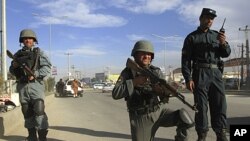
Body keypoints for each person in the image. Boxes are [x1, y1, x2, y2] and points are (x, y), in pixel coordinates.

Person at [112, 40, 194, 141]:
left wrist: (164, 91)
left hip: (159, 112)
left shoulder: (156, 71)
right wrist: (134, 82)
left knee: (184, 118)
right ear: (135, 55)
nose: (147, 56)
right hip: (141, 118)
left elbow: (164, 93)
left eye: (149, 54)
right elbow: (115, 93)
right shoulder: (127, 72)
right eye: (143, 53)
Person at [181, 8, 231, 141]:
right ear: (200, 18)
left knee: (220, 105)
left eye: (212, 19)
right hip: (200, 74)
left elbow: (226, 54)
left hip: (216, 74)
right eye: (207, 18)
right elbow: (186, 61)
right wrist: (188, 78)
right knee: (201, 107)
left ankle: (220, 134)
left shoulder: (217, 36)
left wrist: (223, 43)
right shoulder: (191, 37)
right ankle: (201, 135)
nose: (209, 21)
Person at [9, 29, 51, 141]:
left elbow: (47, 67)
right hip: (22, 87)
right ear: (22, 41)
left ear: (34, 40)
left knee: (39, 110)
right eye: (25, 39)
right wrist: (15, 65)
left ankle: (42, 137)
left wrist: (36, 74)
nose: (27, 40)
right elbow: (12, 71)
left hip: (36, 86)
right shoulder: (17, 55)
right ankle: (32, 136)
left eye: (30, 38)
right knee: (27, 112)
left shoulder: (39, 53)